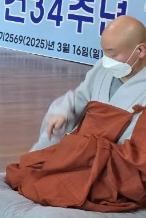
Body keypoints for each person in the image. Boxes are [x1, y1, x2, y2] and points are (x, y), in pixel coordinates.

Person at [31, 15, 146, 151]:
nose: (107, 60)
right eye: (104, 53)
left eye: (113, 54)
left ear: (140, 50)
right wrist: (62, 111)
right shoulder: (102, 68)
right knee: (52, 137)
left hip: (114, 154)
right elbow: (80, 96)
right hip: (85, 145)